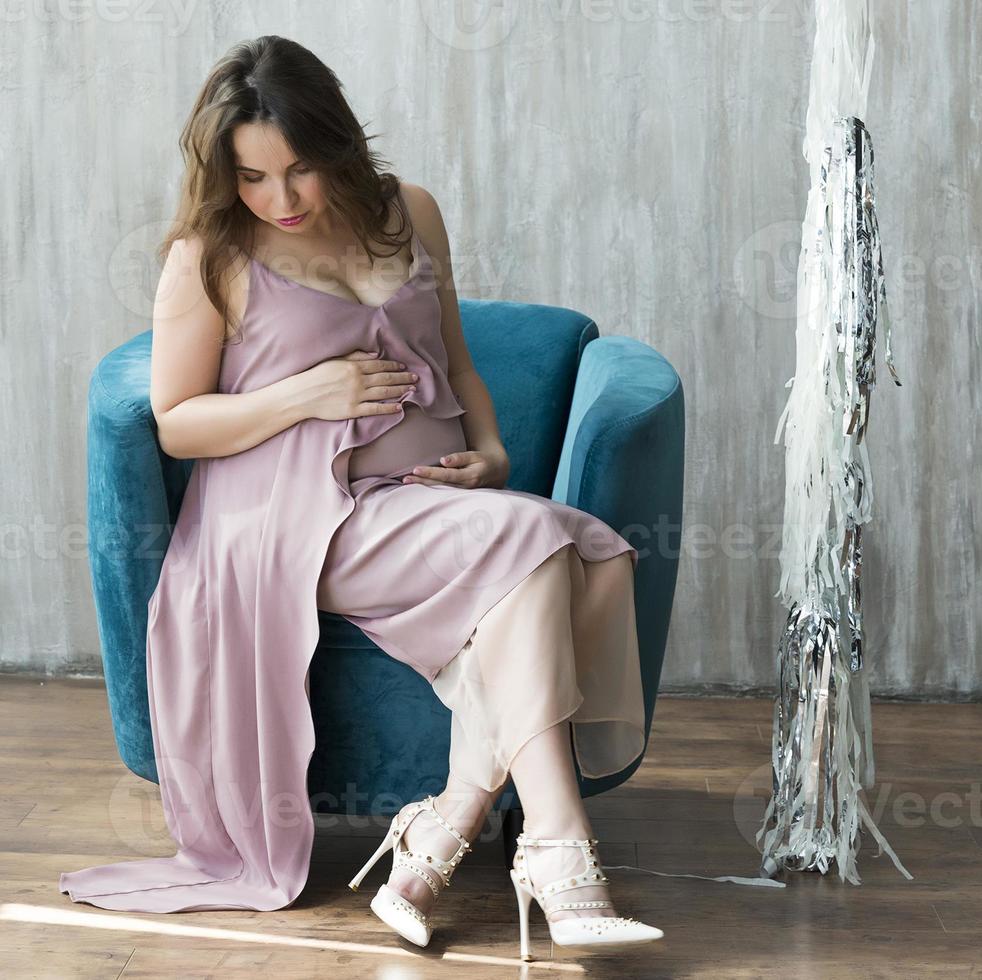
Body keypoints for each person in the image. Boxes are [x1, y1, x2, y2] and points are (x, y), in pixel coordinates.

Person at [58, 35, 662, 959]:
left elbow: (454, 362)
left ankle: (446, 835)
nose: (283, 199)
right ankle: (556, 854)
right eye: (254, 177)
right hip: (296, 520)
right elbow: (176, 420)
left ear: (338, 142)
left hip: (430, 504)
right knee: (541, 546)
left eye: (299, 169)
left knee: (543, 551)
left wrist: (493, 455)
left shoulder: (409, 211)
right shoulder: (208, 254)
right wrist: (308, 394)